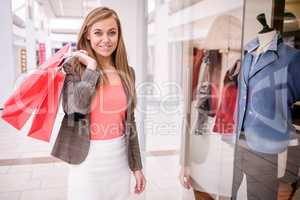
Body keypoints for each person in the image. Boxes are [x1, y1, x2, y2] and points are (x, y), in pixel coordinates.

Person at [51, 7, 146, 200]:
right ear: (87, 34)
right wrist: (91, 69)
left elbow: (130, 121)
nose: (106, 39)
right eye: (98, 32)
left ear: (119, 35)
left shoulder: (128, 72)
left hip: (119, 159)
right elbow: (74, 109)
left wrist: (137, 166)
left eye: (112, 32)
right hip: (87, 160)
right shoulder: (74, 68)